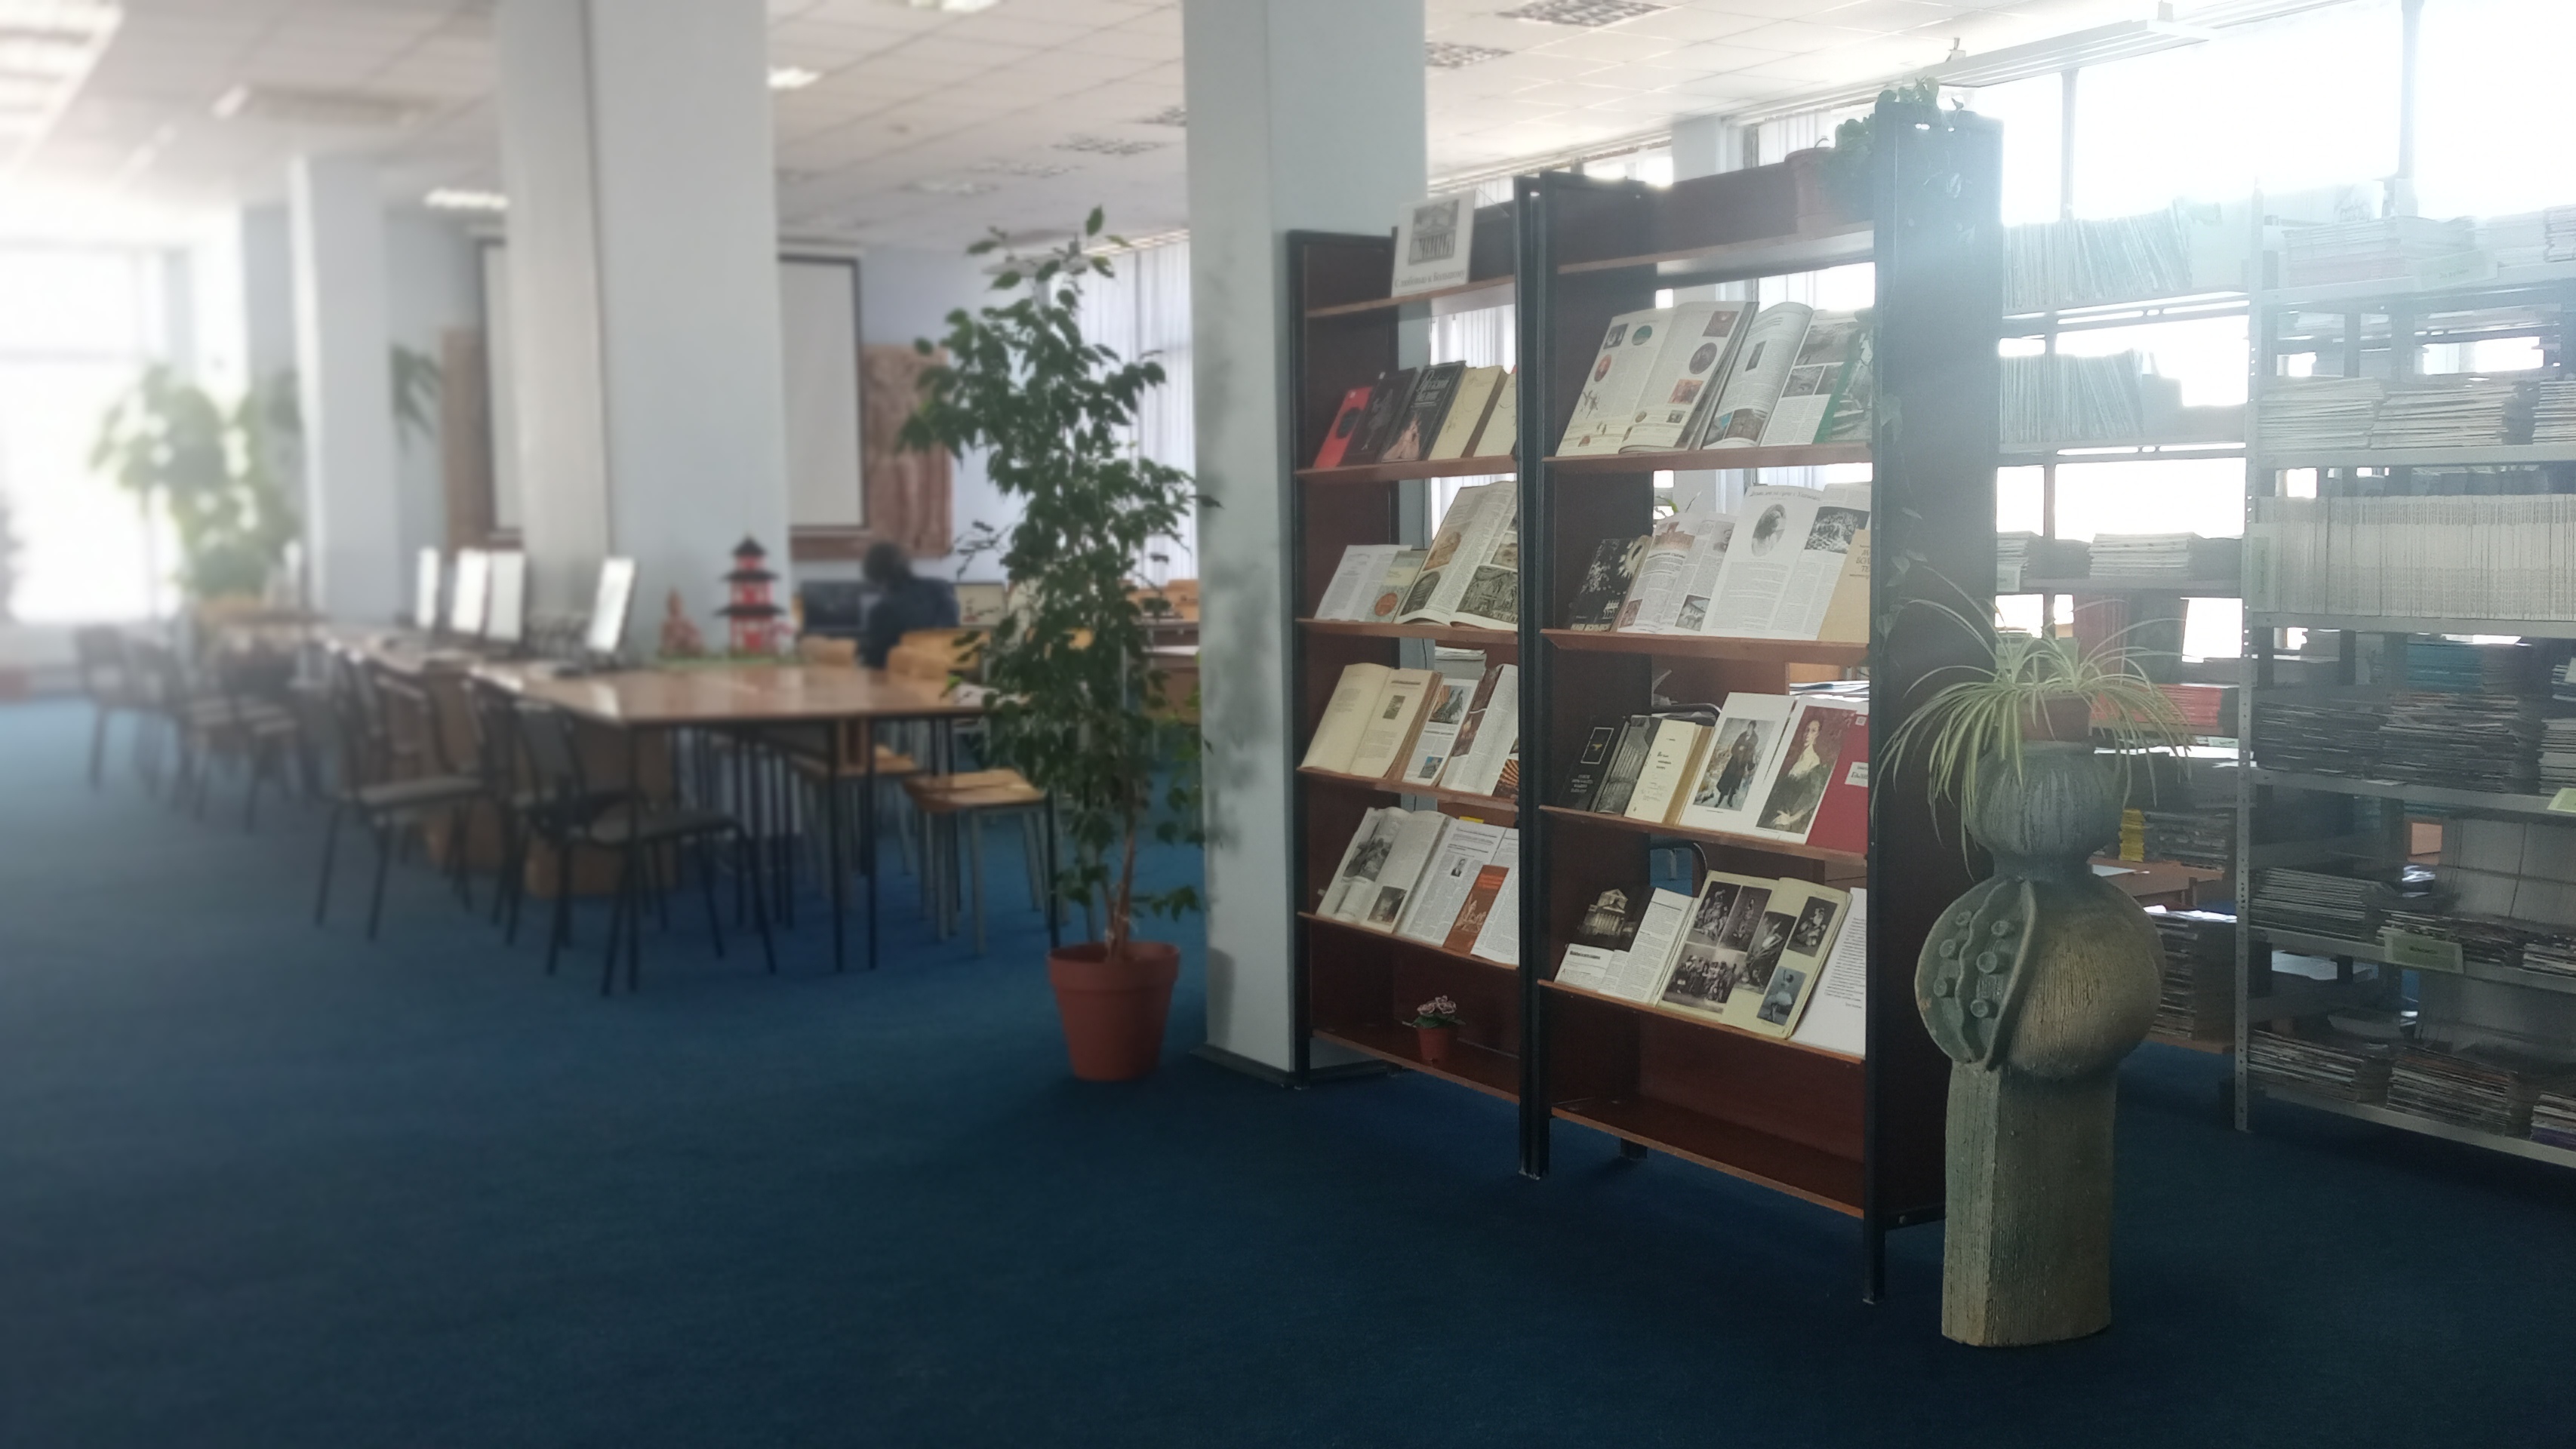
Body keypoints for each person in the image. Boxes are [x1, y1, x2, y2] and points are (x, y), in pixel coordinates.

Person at [859, 541, 959, 669]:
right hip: (943, 672)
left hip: (902, 676)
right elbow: (951, 628)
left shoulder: (882, 610)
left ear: (873, 574)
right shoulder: (941, 587)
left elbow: (875, 661)